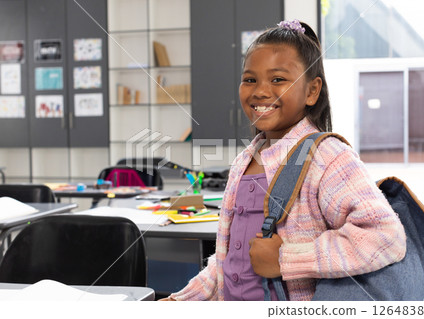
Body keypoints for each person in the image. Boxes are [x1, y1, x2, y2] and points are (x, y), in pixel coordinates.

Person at [160, 19, 406, 301]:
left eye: (278, 79)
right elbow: (226, 261)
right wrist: (179, 301)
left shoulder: (327, 156)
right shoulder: (244, 161)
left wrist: (285, 259)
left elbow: (385, 237)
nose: (261, 91)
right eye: (250, 79)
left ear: (312, 91)